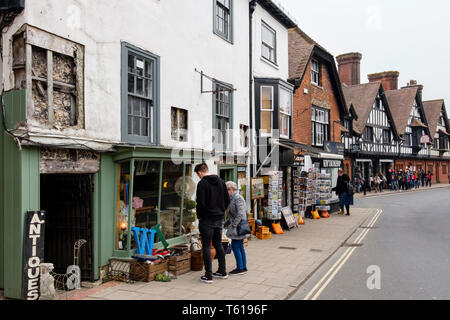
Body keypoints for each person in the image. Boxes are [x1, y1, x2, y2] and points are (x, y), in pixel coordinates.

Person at [195, 163, 230, 284]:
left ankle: (208, 275)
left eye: (198, 175)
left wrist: (200, 216)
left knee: (206, 245)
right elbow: (227, 200)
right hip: (219, 218)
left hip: (207, 220)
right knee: (218, 243)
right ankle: (222, 271)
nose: (199, 177)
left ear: (200, 172)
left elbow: (201, 203)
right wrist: (221, 211)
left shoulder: (202, 183)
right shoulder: (221, 181)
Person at [225, 181, 250, 275]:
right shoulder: (233, 197)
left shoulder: (237, 198)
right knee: (240, 246)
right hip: (238, 225)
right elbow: (232, 214)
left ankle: (240, 268)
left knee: (236, 247)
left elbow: (240, 213)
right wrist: (226, 223)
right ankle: (243, 266)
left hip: (239, 226)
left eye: (226, 190)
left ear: (230, 189)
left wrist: (234, 225)